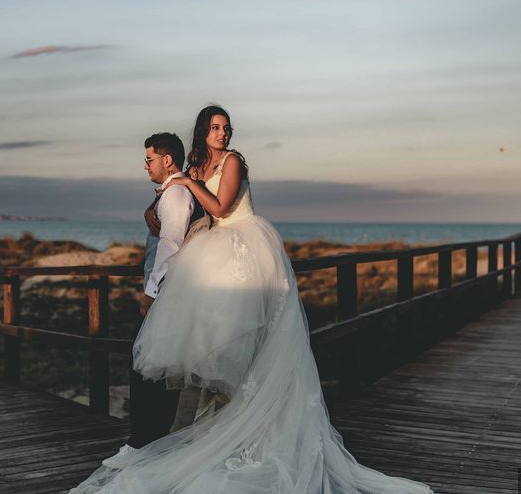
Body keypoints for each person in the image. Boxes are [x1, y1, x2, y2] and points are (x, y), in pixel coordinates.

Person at [71, 107, 432, 493]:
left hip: (245, 247)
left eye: (226, 128)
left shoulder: (233, 162)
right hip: (213, 251)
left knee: (252, 346)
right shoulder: (194, 165)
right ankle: (217, 430)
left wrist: (186, 183)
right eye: (215, 128)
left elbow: (222, 208)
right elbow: (182, 206)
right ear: (202, 132)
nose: (222, 134)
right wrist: (159, 201)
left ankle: (254, 432)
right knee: (214, 349)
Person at [103, 132, 200, 467]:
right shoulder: (171, 193)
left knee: (146, 366)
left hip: (166, 293)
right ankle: (149, 441)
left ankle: (144, 443)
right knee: (151, 365)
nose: (146, 165)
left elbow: (170, 245)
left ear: (167, 160)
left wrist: (150, 293)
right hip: (165, 291)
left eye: (149, 159)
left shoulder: (175, 196)